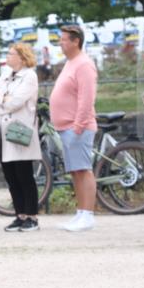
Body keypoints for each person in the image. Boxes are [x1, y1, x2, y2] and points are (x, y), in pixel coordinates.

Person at [0, 43, 41, 232]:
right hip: (2, 130)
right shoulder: (6, 74)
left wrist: (2, 100)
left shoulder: (29, 76)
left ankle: (32, 216)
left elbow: (17, 101)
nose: (7, 57)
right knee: (10, 175)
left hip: (19, 130)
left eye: (10, 54)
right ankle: (20, 214)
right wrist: (3, 100)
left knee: (24, 174)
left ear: (21, 57)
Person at [49, 25, 98, 232]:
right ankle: (80, 213)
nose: (60, 42)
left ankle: (87, 215)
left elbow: (86, 98)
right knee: (75, 171)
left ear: (75, 41)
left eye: (63, 39)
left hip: (77, 127)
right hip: (66, 127)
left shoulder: (84, 64)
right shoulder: (71, 63)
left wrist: (78, 125)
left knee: (83, 170)